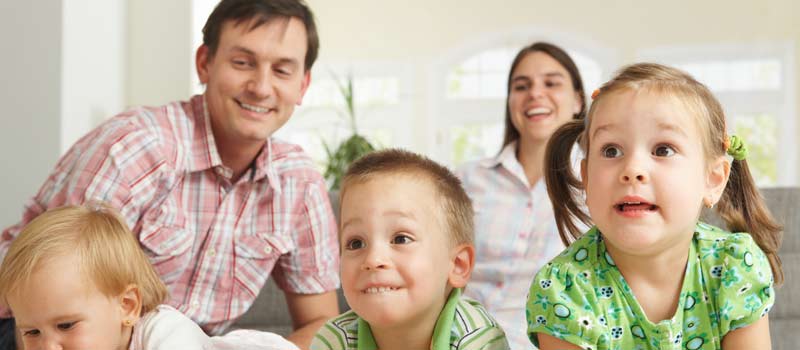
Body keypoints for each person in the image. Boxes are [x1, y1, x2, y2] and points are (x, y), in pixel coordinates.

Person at [0, 0, 340, 348]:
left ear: (302, 85)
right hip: (37, 327)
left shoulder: (299, 184)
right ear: (205, 63)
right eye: (243, 63)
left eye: (282, 71)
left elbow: (320, 321)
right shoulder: (135, 147)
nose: (261, 87)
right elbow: (57, 297)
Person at [527, 63, 783, 349]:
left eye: (663, 150)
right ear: (586, 178)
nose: (632, 169)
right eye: (611, 150)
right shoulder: (564, 290)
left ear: (712, 179)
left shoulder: (734, 266)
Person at [455, 41, 586, 348]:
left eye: (551, 83)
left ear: (578, 100)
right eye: (521, 86)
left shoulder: (601, 183)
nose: (535, 94)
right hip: (458, 333)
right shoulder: (466, 179)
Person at [311, 149, 510, 350]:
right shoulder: (334, 341)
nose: (373, 259)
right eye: (356, 243)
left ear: (457, 265)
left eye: (401, 239)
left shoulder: (478, 339)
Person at [0, 203, 209, 349]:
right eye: (32, 332)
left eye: (66, 325)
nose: (48, 347)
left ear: (127, 306)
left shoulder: (167, 332)